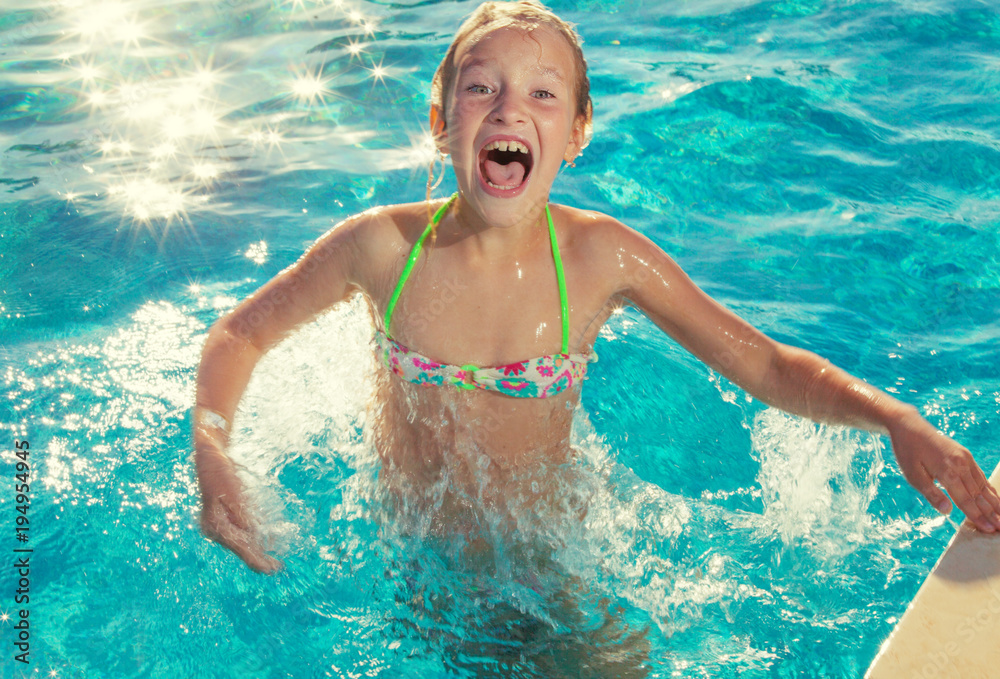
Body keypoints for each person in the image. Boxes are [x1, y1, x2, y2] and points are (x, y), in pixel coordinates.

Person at [193, 0, 1000, 582]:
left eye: (543, 94)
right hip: (412, 563)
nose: (510, 107)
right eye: (482, 89)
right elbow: (240, 336)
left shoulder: (601, 258)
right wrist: (214, 452)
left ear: (576, 133)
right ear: (442, 119)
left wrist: (892, 417)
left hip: (546, 559)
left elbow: (763, 366)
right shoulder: (382, 248)